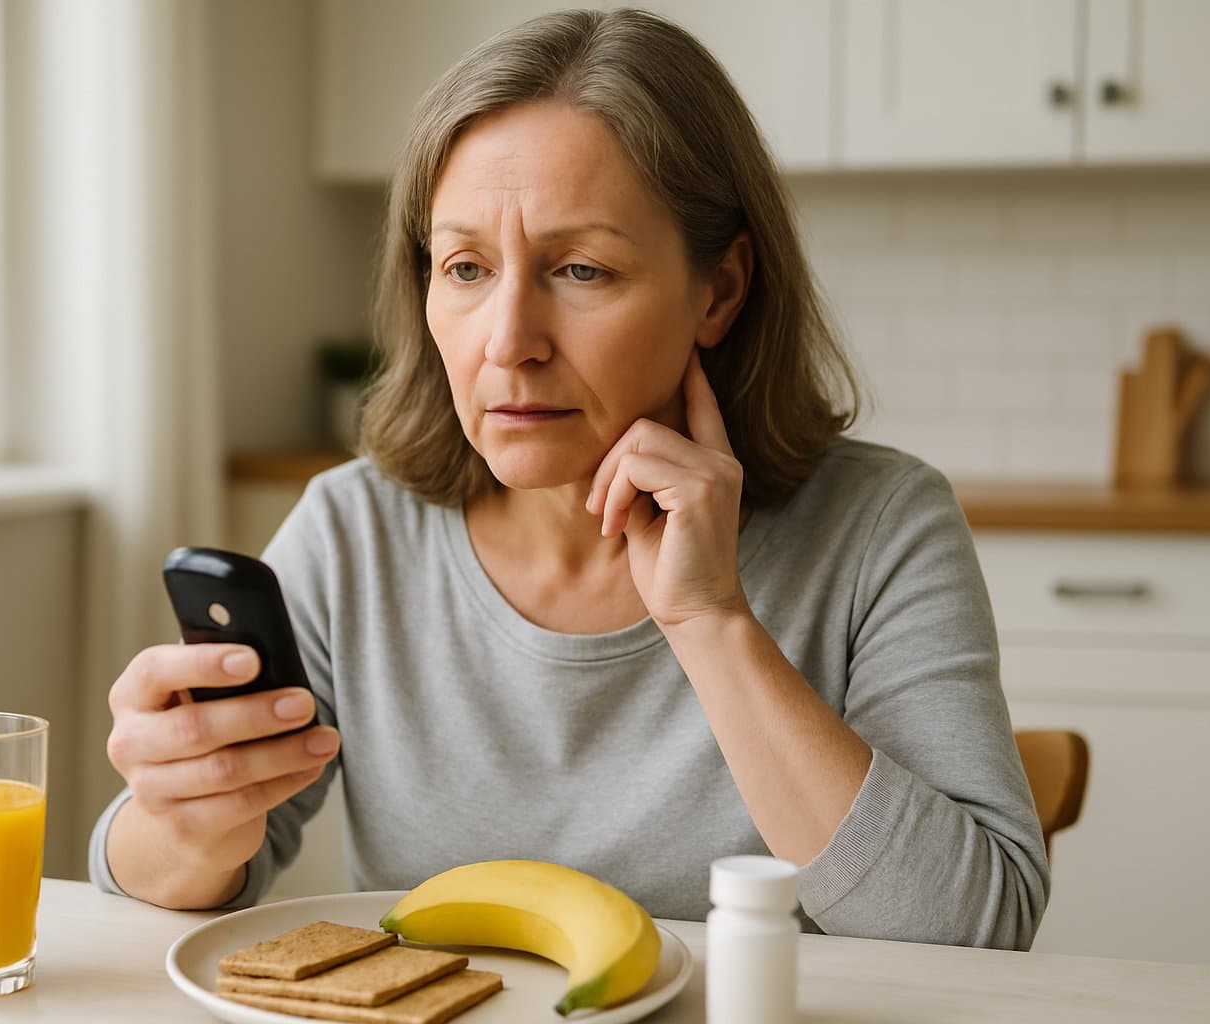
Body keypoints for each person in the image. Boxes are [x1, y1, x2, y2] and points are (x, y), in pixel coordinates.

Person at [90, 8, 1048, 950]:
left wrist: (712, 623)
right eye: (464, 267)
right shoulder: (355, 531)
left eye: (582, 270)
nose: (509, 343)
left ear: (719, 290)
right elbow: (150, 881)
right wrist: (181, 821)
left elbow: (975, 928)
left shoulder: (881, 527)